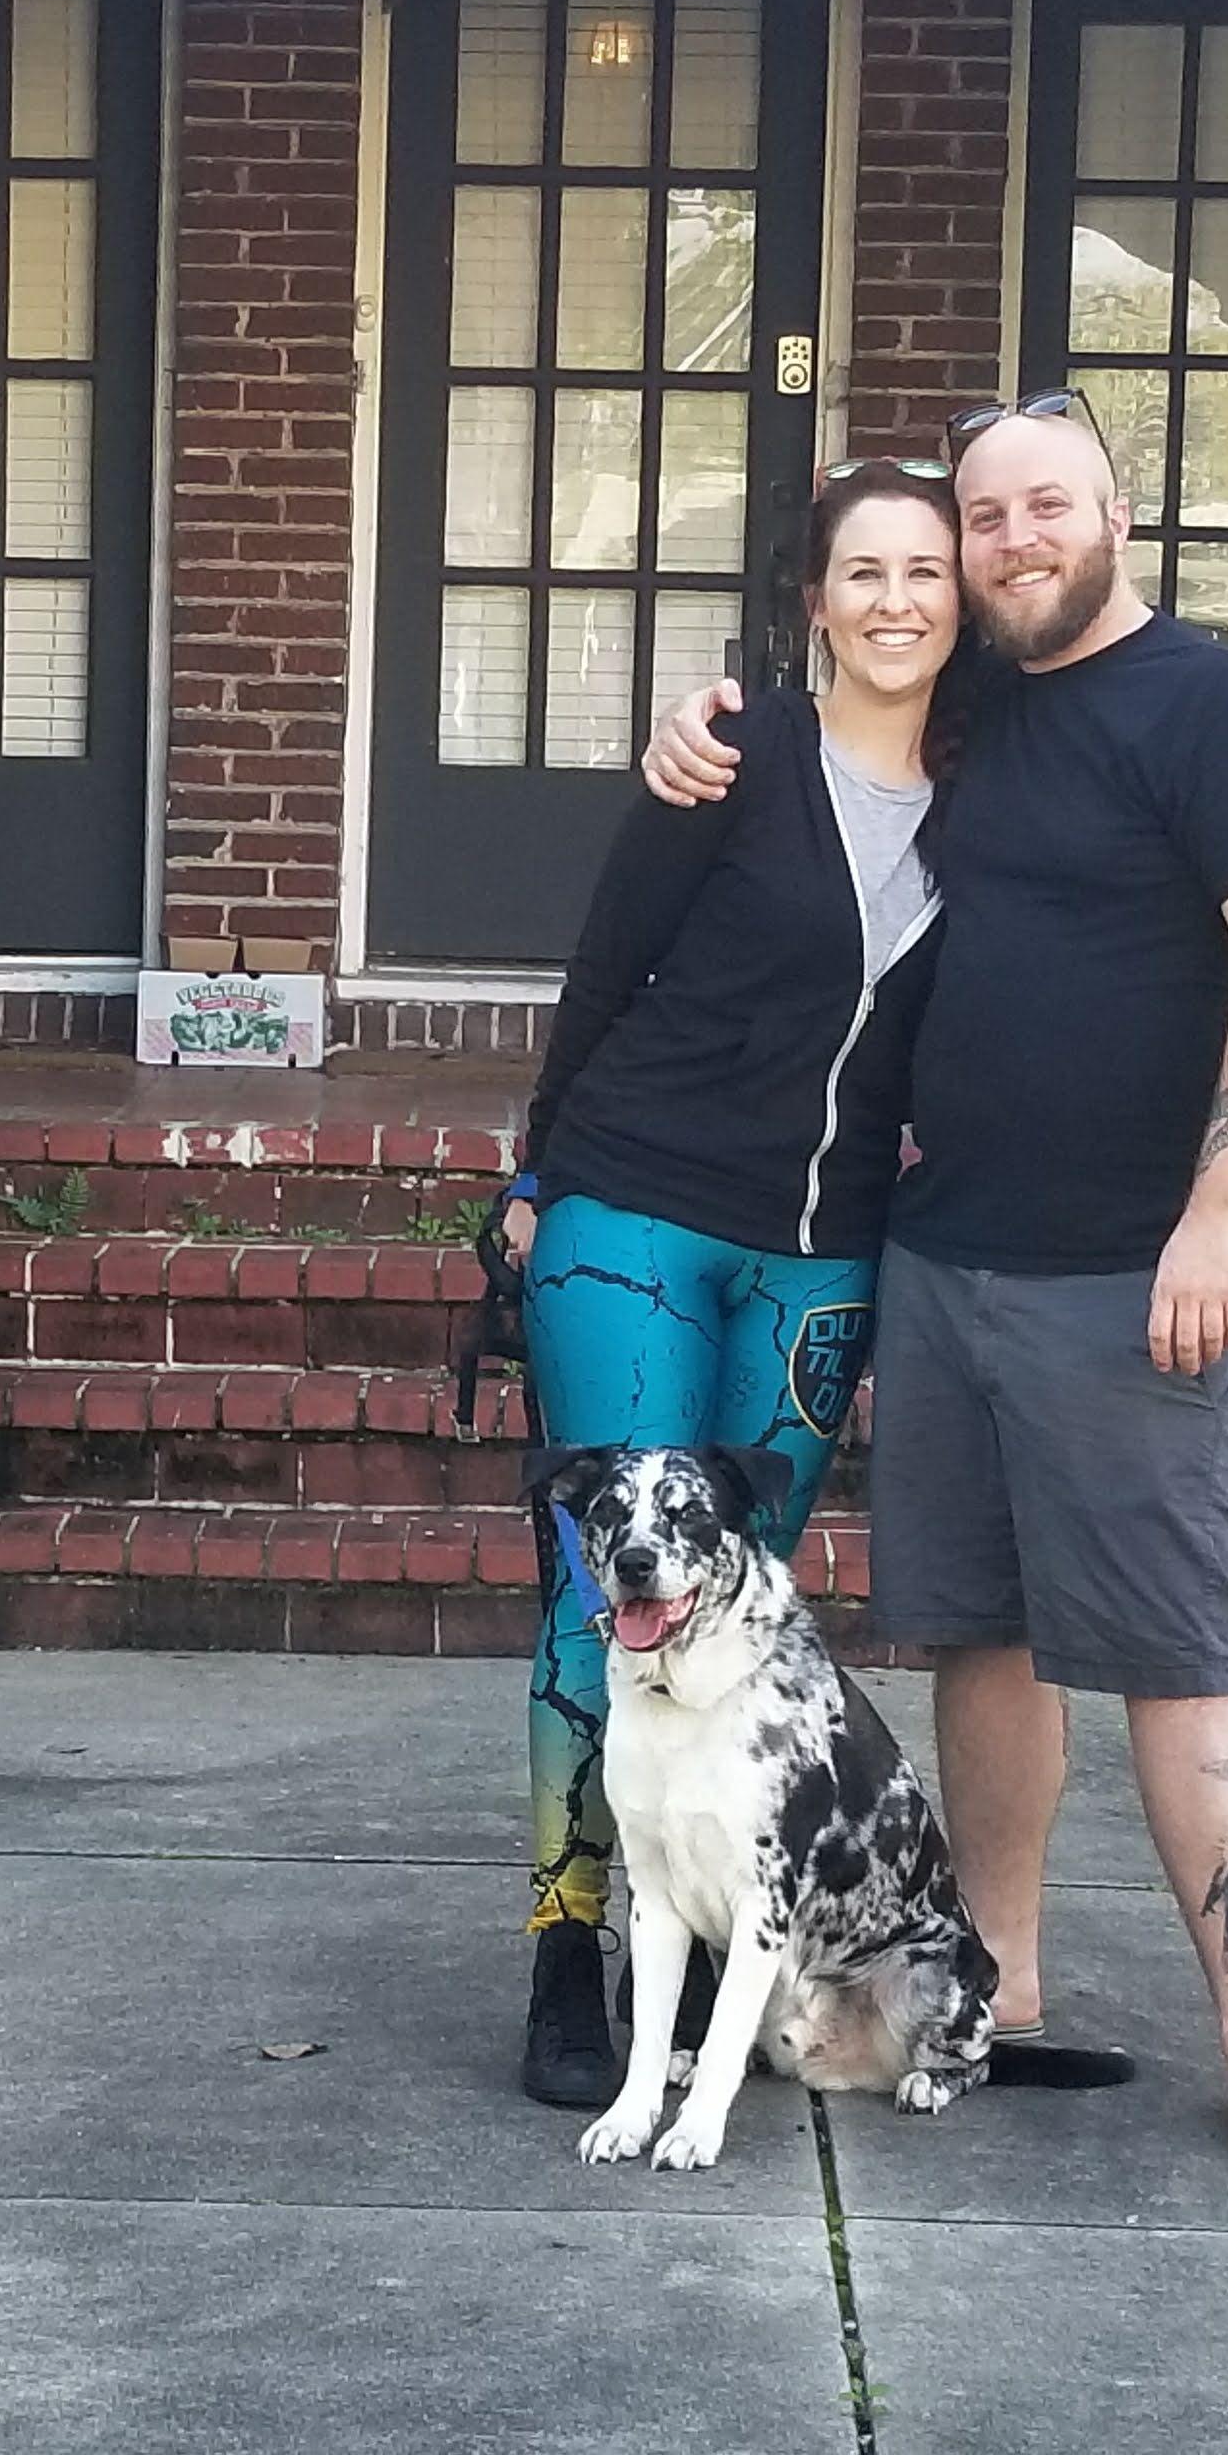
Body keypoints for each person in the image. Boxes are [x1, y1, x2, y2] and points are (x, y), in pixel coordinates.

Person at [641, 395, 1228, 2175]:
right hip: (943, 1256)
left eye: (1051, 504)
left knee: (1177, 1649)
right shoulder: (976, 704)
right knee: (982, 1635)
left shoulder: (1213, 705)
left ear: (1118, 517)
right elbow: (833, 719)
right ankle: (1004, 1978)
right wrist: (691, 730)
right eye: (987, 515)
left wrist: (1225, 1212)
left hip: (1132, 1271)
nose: (1015, 538)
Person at [500, 458, 962, 2108]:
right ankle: (570, 1961)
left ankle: (703, 1952)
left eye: (928, 571)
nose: (897, 600)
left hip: (822, 1254)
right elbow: (604, 966)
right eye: (864, 572)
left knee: (736, 1606)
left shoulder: (994, 797)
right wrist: (536, 1179)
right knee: (609, 1594)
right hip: (633, 1212)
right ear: (814, 602)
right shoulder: (738, 756)